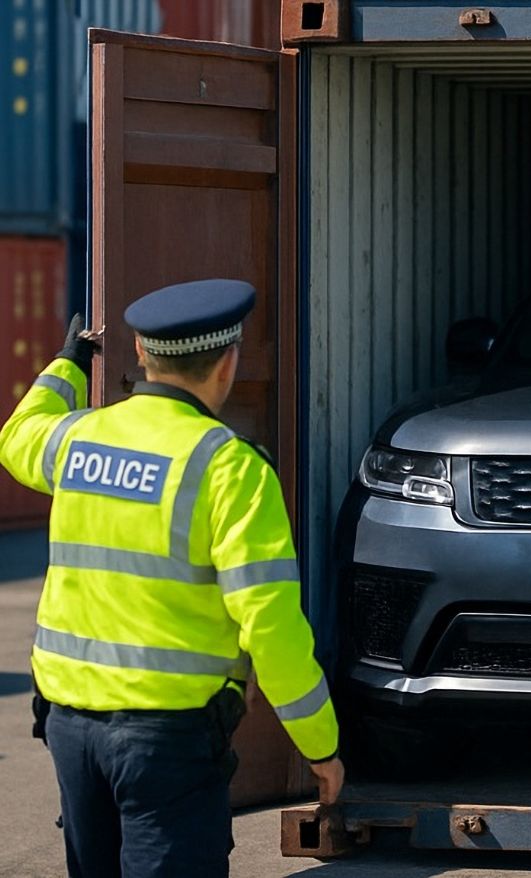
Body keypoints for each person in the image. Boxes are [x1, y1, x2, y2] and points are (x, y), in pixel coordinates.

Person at [0, 279, 344, 877]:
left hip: (69, 729)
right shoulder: (229, 467)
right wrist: (322, 747)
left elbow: (16, 437)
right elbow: (271, 628)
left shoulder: (78, 439)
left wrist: (68, 364)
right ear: (228, 362)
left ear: (140, 354)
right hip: (167, 741)